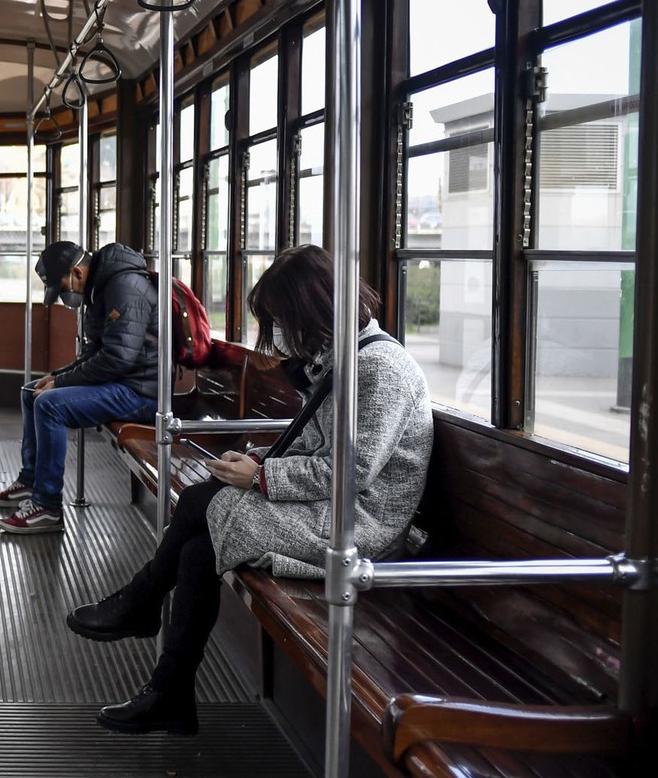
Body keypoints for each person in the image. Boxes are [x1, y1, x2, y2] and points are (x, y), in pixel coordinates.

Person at [65, 244, 432, 734]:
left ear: (311, 308)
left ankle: (143, 604)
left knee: (201, 504)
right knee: (198, 548)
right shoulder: (345, 357)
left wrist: (260, 477)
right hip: (329, 507)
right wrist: (258, 461)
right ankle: (168, 687)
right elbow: (316, 446)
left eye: (281, 318)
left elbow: (354, 472)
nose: (278, 331)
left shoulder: (379, 369)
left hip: (360, 525)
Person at [0, 240, 159, 535]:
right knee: (33, 392)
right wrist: (57, 375)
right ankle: (30, 481)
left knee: (49, 404)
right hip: (121, 382)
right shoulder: (101, 286)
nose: (66, 295)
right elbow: (95, 351)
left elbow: (117, 358)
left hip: (141, 392)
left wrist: (61, 382)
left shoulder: (124, 287)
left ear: (76, 272)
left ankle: (48, 507)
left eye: (63, 286)